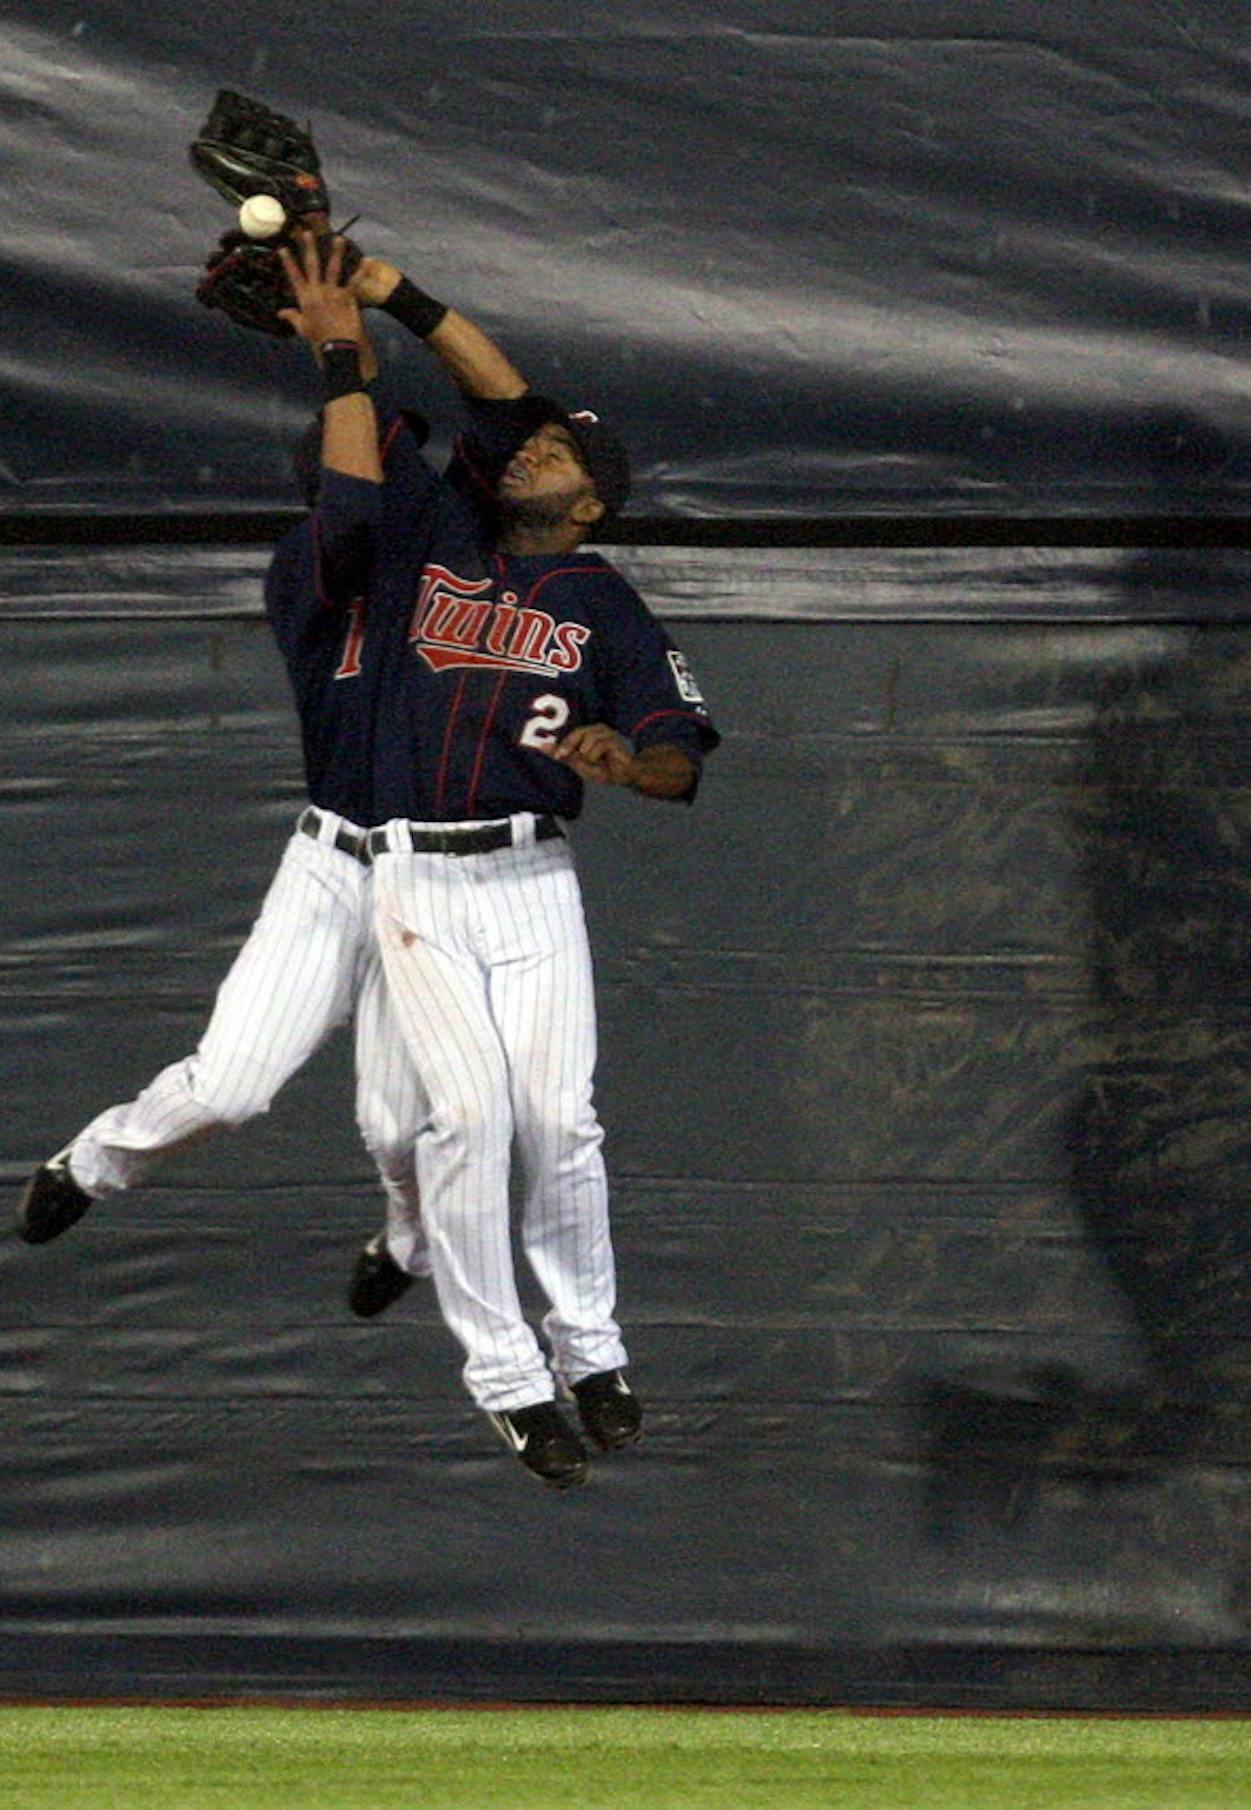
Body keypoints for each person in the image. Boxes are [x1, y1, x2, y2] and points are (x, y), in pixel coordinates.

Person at [13, 251, 549, 1326]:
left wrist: (398, 296)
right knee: (229, 1087)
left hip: (435, 876)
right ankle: (93, 1162)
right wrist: (339, 354)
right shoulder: (309, 564)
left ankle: (406, 1241)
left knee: (406, 1128)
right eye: (396, 457)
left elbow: (514, 402)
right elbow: (354, 508)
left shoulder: (455, 530)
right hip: (335, 863)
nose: (413, 472)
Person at [282, 232, 720, 1489]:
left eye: (562, 451)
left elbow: (680, 756)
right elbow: (495, 395)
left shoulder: (607, 603)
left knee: (558, 1122)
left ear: (590, 501)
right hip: (412, 874)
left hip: (531, 877)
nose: (533, 447)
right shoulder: (437, 531)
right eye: (530, 441)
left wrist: (630, 765)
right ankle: (509, 1377)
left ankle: (592, 1349)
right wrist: (382, 306)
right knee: (468, 1118)